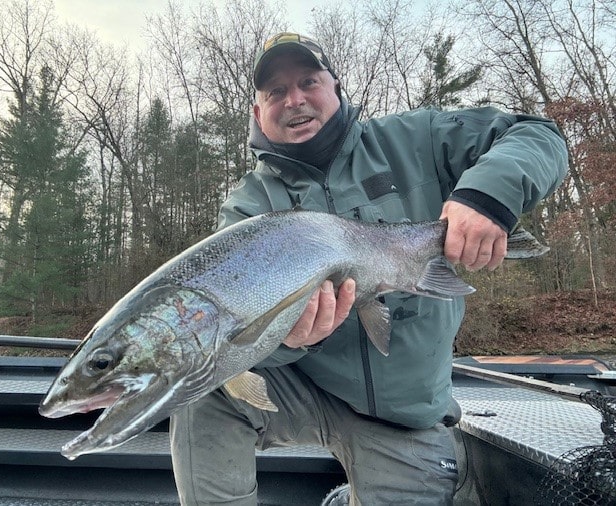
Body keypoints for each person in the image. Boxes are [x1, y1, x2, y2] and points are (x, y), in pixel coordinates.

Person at [169, 32, 568, 505]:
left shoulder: (413, 139)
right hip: (305, 391)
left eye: (308, 82)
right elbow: (235, 343)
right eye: (275, 92)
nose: (294, 100)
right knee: (195, 385)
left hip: (405, 416)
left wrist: (486, 198)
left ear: (335, 87)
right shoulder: (247, 209)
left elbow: (537, 134)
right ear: (258, 113)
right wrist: (290, 337)